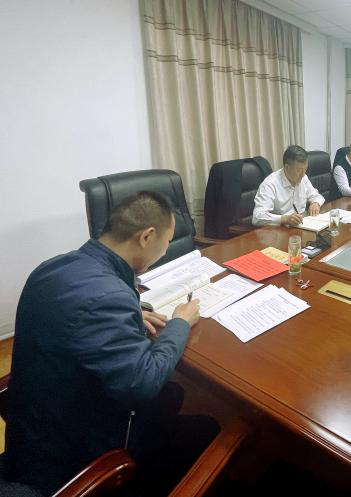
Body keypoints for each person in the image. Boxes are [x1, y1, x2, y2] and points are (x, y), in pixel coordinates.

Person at [6, 191, 218, 496]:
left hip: (36, 428)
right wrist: (180, 323)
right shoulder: (108, 297)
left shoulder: (52, 267)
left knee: (174, 394)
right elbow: (143, 384)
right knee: (208, 426)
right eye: (166, 242)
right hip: (76, 455)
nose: (164, 250)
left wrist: (131, 315)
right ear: (147, 236)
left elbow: (77, 317)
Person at [252, 145, 326, 227]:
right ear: (287, 167)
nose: (303, 174)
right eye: (299, 170)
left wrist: (316, 203)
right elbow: (257, 217)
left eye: (305, 170)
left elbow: (317, 196)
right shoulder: (270, 184)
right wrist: (284, 219)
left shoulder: (303, 178)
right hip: (280, 230)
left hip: (303, 225)